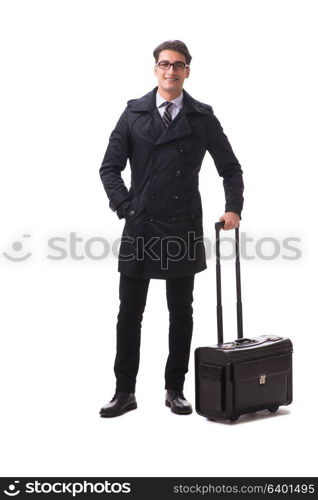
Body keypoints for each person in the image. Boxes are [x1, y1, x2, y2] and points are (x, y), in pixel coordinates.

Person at [99, 40, 244, 417]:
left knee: (181, 311)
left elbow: (230, 168)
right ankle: (123, 392)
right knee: (129, 313)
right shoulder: (133, 113)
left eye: (178, 65)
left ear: (187, 71)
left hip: (182, 225)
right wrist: (127, 207)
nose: (171, 71)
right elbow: (109, 168)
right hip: (141, 226)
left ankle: (175, 388)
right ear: (155, 70)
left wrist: (233, 208)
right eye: (164, 64)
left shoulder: (202, 117)